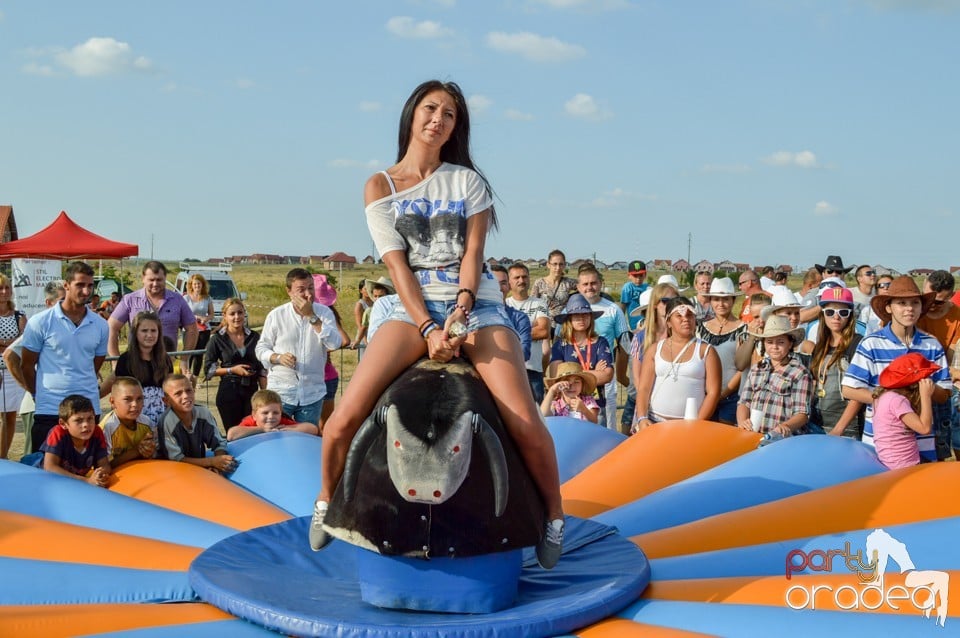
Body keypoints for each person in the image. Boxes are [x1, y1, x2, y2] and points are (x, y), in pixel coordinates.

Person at [311, 80, 565, 570]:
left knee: (524, 419)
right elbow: (397, 267)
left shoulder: (468, 182)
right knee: (344, 417)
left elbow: (473, 254)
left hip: (476, 305)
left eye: (449, 114)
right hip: (409, 309)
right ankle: (324, 501)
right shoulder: (379, 186)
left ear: (455, 127)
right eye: (431, 109)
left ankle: (554, 515)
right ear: (412, 114)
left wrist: (463, 308)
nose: (439, 120)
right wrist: (428, 328)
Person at [842, 276, 952, 462]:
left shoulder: (931, 345)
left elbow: (944, 394)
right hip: (880, 442)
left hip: (922, 442)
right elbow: (849, 389)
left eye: (915, 303)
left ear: (920, 307)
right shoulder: (871, 344)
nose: (909, 308)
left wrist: (925, 388)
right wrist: (892, 402)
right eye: (902, 303)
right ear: (888, 307)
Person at [21, 262, 108, 453]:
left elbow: (95, 364)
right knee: (44, 471)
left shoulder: (101, 325)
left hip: (88, 409)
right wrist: (38, 394)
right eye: (80, 285)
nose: (86, 291)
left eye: (90, 285)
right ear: (67, 285)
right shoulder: (40, 322)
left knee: (85, 470)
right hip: (50, 409)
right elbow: (27, 366)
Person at [256, 268, 341, 426]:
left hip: (312, 393)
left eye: (310, 288)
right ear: (289, 291)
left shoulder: (324, 313)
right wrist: (278, 357)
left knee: (307, 440)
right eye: (301, 290)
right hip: (282, 392)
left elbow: (334, 343)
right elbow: (261, 348)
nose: (308, 294)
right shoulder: (276, 315)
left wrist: (312, 317)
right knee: (278, 438)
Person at [633, 297, 721, 431]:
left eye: (690, 315)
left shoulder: (707, 351)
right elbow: (644, 388)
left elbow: (713, 392)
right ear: (668, 322)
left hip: (690, 427)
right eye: (679, 316)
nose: (685, 319)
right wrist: (642, 418)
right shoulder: (654, 349)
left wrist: (697, 423)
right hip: (654, 422)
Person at [3, 280, 64, 457]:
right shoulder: (41, 325)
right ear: (49, 303)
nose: (68, 304)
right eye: (62, 300)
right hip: (38, 407)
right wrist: (34, 391)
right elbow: (10, 356)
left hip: (60, 405)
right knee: (36, 458)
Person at [108, 261, 197, 371]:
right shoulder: (129, 300)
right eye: (151, 280)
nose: (155, 283)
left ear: (165, 278)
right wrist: (115, 360)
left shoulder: (178, 300)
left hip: (167, 363)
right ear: (143, 278)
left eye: (159, 279)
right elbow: (111, 327)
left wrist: (184, 359)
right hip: (136, 363)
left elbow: (192, 329)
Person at [800, 287, 864, 438]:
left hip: (847, 429)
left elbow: (858, 392)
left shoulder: (858, 343)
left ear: (850, 316)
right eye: (830, 312)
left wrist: (838, 430)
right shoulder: (820, 345)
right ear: (822, 315)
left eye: (843, 312)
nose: (836, 317)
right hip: (816, 425)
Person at [736, 315, 813, 436]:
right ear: (764, 344)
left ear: (790, 344)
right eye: (770, 342)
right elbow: (744, 402)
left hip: (782, 439)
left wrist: (786, 426)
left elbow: (802, 413)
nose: (774, 347)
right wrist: (742, 422)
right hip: (752, 434)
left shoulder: (799, 373)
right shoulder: (757, 369)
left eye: (780, 342)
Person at [576, 265, 630, 428]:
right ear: (578, 287)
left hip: (605, 381)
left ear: (600, 284)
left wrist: (619, 372)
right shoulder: (570, 310)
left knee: (607, 426)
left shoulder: (613, 310)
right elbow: (560, 340)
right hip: (576, 380)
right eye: (585, 284)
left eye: (593, 283)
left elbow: (624, 344)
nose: (589, 287)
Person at [100, 311, 173, 426]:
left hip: (162, 418)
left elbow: (171, 390)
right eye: (144, 330)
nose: (149, 335)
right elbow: (118, 389)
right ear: (135, 332)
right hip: (135, 418)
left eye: (153, 330)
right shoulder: (126, 360)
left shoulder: (165, 359)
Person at [203, 297, 266, 431]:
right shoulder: (217, 339)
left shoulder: (255, 337)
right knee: (234, 433)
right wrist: (232, 370)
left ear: (244, 313)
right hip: (229, 392)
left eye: (240, 312)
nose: (237, 317)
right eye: (232, 314)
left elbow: (262, 368)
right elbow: (209, 370)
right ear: (225, 316)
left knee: (253, 432)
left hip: (252, 392)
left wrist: (265, 394)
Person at [157, 374, 236, 474]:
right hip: (173, 473)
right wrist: (211, 462)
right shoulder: (166, 422)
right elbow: (177, 459)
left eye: (189, 390)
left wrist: (220, 462)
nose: (186, 396)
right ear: (166, 401)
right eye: (178, 393)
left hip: (200, 469)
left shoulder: (203, 413)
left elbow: (219, 443)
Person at [871, 353, 937, 470]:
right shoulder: (897, 400)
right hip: (903, 466)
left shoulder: (884, 396)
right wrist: (925, 396)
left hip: (891, 462)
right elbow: (924, 428)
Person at [549, 294, 613, 414]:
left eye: (585, 314)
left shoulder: (601, 342)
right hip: (567, 407)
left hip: (595, 406)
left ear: (590, 317)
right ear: (569, 319)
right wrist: (593, 374)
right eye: (576, 315)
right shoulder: (559, 345)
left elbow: (607, 376)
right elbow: (556, 376)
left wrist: (571, 375)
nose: (581, 319)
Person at [696, 277, 746, 423]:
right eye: (716, 299)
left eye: (725, 299)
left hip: (731, 397)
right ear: (710, 300)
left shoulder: (743, 329)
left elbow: (742, 367)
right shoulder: (700, 327)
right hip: (703, 395)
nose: (721, 304)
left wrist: (724, 393)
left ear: (733, 301)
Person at [41, 394, 110, 487]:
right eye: (78, 420)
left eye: (90, 418)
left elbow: (105, 465)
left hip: (74, 482)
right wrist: (86, 481)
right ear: (63, 423)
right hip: (41, 476)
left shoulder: (96, 432)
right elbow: (49, 467)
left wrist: (100, 474)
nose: (86, 424)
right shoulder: (58, 433)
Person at [507, 262, 551, 403]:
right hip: (509, 369)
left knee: (538, 414)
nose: (521, 281)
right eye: (517, 277)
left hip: (533, 371)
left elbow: (543, 331)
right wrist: (530, 328)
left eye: (525, 277)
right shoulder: (504, 304)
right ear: (509, 281)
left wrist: (512, 332)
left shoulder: (539, 304)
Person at [313, 274, 351, 432]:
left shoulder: (327, 313)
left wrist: (323, 348)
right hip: (311, 376)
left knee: (322, 427)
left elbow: (344, 340)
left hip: (325, 376)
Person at [99, 377, 157, 468]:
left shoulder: (146, 422)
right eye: (127, 399)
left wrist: (149, 450)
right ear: (112, 402)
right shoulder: (106, 428)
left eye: (139, 399)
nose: (135, 404)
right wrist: (136, 451)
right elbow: (105, 466)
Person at [0, 273, 27, 458]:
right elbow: (15, 342)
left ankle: (3, 456)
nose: (4, 292)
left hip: (11, 372)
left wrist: (4, 343)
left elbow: (24, 340)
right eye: (0, 288)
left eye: (7, 287)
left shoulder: (19, 315)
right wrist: (10, 342)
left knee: (10, 416)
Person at [227, 389, 320, 441]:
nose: (271, 416)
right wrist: (262, 429)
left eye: (276, 413)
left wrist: (288, 429)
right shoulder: (250, 422)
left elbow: (313, 429)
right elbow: (231, 435)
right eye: (265, 413)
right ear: (254, 415)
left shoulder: (282, 423)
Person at [531, 249, 578, 321]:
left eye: (561, 264)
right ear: (548, 265)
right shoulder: (539, 283)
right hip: (544, 325)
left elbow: (585, 286)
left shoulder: (568, 282)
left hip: (563, 325)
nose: (558, 268)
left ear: (564, 265)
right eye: (555, 264)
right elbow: (532, 305)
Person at [183, 273, 215, 377]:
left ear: (203, 285)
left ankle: (195, 377)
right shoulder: (186, 298)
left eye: (199, 284)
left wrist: (206, 318)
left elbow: (211, 314)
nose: (197, 286)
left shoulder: (207, 298)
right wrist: (196, 317)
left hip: (204, 329)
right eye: (195, 284)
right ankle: (187, 375)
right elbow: (183, 313)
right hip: (189, 329)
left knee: (198, 354)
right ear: (191, 285)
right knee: (189, 352)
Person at [619, 260, 649, 330]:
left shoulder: (648, 288)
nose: (638, 279)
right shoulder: (628, 287)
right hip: (634, 324)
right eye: (635, 276)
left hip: (647, 322)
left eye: (641, 275)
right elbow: (623, 306)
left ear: (645, 275)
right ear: (629, 276)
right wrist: (620, 321)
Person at [351, 279, 374, 354]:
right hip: (363, 335)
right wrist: (364, 340)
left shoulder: (374, 301)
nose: (368, 290)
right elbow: (360, 325)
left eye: (369, 288)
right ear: (361, 291)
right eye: (365, 289)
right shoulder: (360, 304)